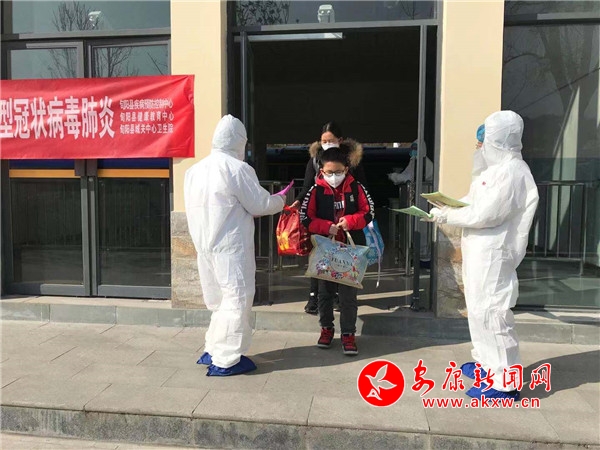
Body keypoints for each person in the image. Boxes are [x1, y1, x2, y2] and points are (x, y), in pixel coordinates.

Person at [427, 111, 539, 399]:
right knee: (478, 310)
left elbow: (486, 214)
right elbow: (473, 202)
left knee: (493, 313)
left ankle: (505, 383)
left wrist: (448, 216)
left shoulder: (513, 172)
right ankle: (486, 365)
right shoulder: (494, 171)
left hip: (495, 253)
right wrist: (447, 206)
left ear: (497, 140)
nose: (479, 147)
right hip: (480, 251)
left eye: (483, 141)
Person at [184, 115, 292, 376]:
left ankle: (213, 348)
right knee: (237, 299)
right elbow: (260, 204)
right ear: (239, 142)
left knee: (219, 301)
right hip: (231, 247)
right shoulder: (237, 169)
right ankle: (226, 360)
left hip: (205, 246)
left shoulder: (194, 170)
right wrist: (282, 199)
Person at [300, 147, 374, 355]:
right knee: (325, 293)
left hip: (350, 250)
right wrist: (326, 227)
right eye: (329, 172)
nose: (334, 176)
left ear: (346, 169)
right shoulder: (315, 190)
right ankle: (326, 329)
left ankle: (348, 334)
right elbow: (306, 218)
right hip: (325, 249)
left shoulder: (356, 187)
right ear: (321, 171)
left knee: (348, 295)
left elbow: (368, 212)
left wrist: (350, 221)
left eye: (338, 172)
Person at [291, 121, 367, 315]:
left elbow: (363, 192)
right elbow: (307, 186)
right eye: (323, 141)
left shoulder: (352, 161)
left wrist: (353, 217)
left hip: (345, 221)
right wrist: (299, 201)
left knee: (341, 261)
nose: (326, 144)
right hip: (323, 218)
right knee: (318, 257)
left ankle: (339, 297)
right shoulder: (315, 160)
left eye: (331, 140)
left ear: (340, 140)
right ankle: (314, 297)